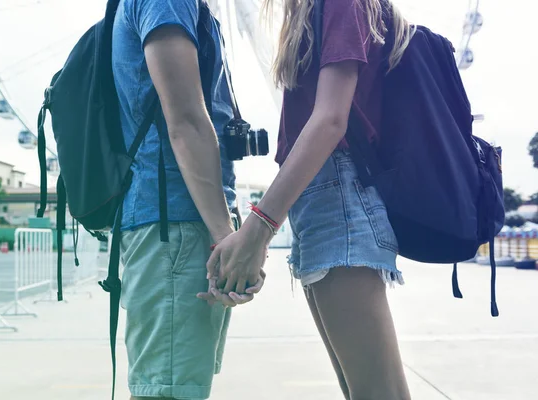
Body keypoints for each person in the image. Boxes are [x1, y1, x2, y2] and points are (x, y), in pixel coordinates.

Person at [200, 0, 414, 398]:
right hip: (319, 201)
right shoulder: (310, 11)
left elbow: (332, 119)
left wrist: (257, 230)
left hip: (340, 200)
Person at [111, 0, 262, 399]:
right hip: (176, 224)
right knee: (170, 390)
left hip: (176, 222)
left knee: (177, 384)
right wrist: (225, 238)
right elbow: (186, 121)